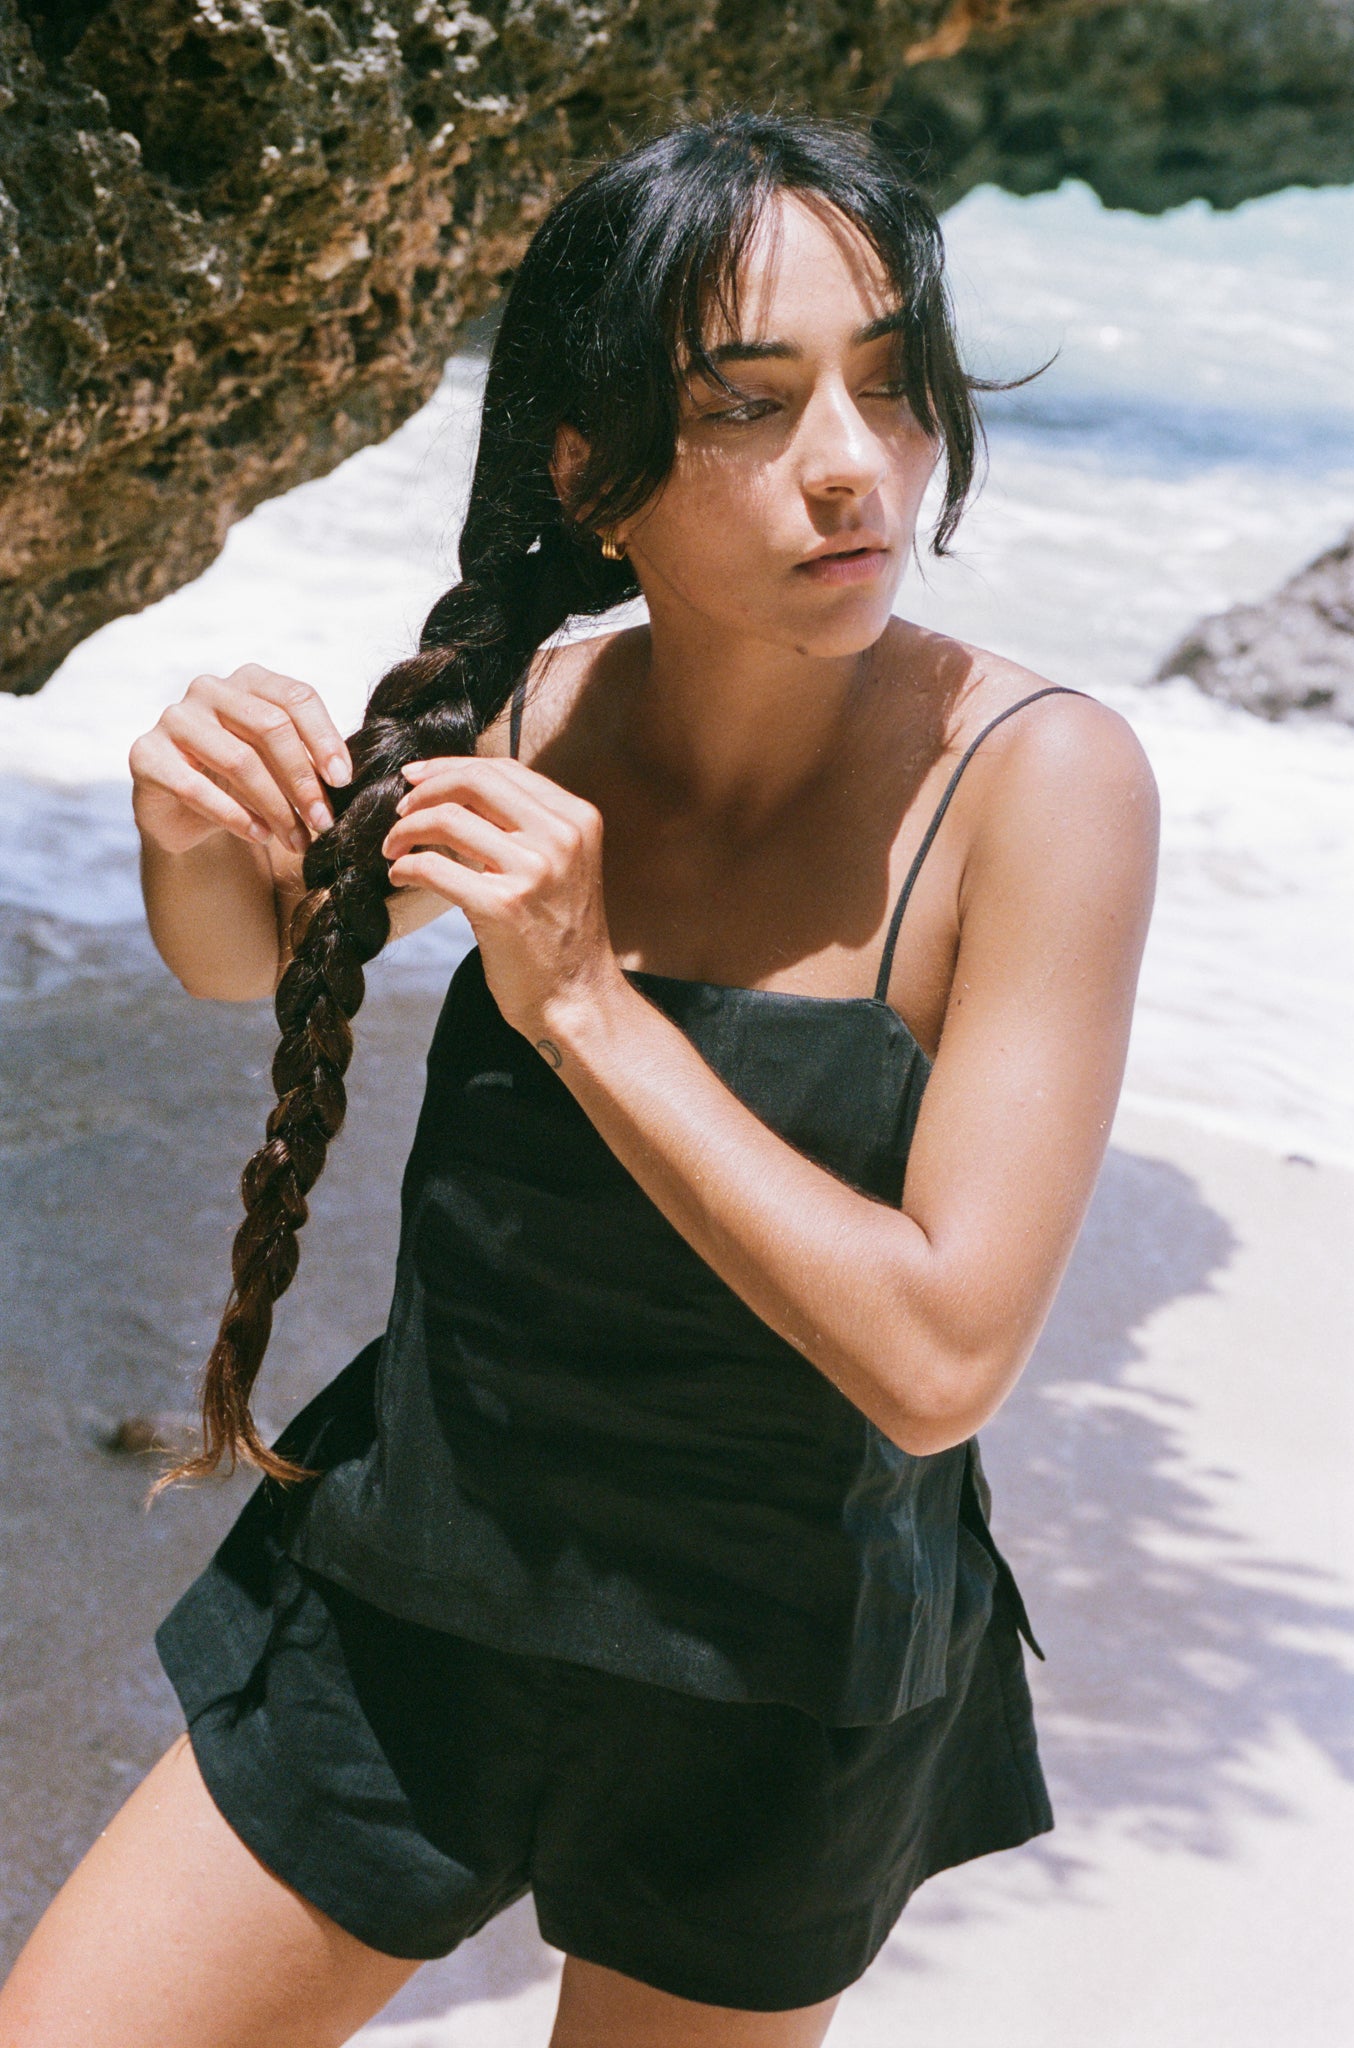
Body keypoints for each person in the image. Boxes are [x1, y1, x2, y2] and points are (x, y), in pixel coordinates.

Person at [0, 112, 1158, 2047]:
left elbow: (943, 1355)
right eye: (749, 403)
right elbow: (231, 964)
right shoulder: (535, 710)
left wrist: (588, 1005)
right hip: (413, 1583)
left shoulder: (1041, 784)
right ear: (586, 464)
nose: (850, 463)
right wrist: (192, 816)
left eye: (888, 383)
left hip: (772, 1671)